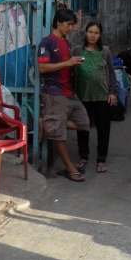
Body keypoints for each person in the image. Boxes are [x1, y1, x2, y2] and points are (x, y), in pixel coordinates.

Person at [37, 9, 90, 183]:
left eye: (72, 25)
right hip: (55, 93)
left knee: (84, 123)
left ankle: (48, 122)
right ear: (58, 23)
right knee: (59, 134)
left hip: (69, 92)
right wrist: (67, 63)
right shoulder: (47, 42)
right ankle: (70, 167)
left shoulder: (65, 41)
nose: (70, 28)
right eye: (68, 24)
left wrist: (73, 63)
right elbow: (42, 68)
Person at [72, 22, 118, 173]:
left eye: (96, 33)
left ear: (100, 35)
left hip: (102, 97)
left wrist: (113, 92)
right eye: (90, 32)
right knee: (82, 127)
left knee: (103, 128)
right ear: (85, 33)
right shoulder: (77, 50)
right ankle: (83, 155)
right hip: (82, 96)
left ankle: (101, 159)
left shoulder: (105, 52)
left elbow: (111, 72)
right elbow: (71, 72)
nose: (92, 35)